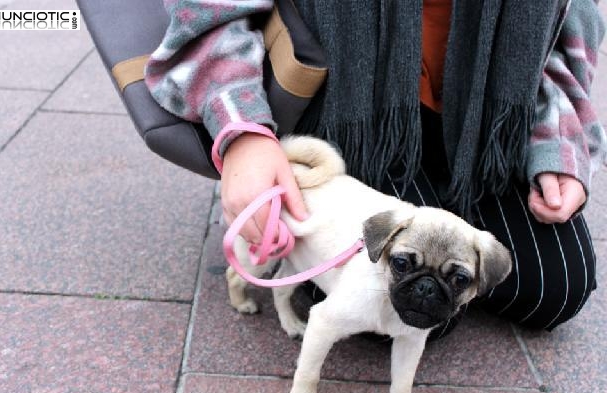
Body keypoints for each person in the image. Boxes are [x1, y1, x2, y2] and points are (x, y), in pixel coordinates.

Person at [144, 0, 606, 334]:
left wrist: (558, 141)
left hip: (486, 120)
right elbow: (208, 12)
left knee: (555, 289)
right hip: (354, 114)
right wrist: (243, 131)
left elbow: (567, 20)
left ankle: (444, 209)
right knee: (397, 311)